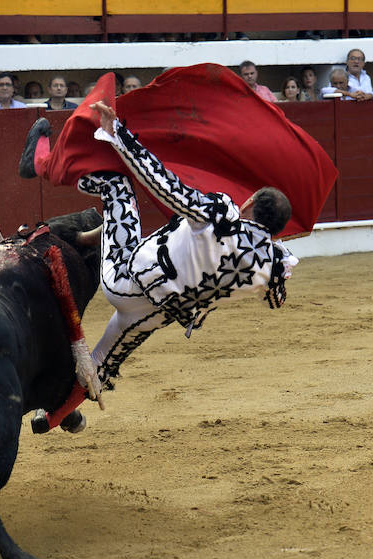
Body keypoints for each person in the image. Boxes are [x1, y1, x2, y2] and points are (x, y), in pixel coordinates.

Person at [18, 104, 298, 387]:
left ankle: (42, 164)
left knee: (116, 185)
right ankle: (55, 414)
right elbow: (276, 301)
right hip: (154, 316)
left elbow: (165, 185)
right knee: (100, 364)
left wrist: (119, 135)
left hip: (126, 281)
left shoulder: (219, 216)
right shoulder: (271, 267)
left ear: (249, 203)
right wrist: (275, 257)